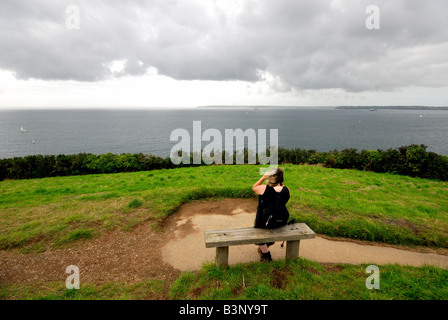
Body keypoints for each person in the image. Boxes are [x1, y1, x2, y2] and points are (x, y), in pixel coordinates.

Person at [252, 167, 290, 262]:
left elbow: (254, 187)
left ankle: (266, 255)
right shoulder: (286, 189)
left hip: (265, 221)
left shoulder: (264, 189)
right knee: (269, 231)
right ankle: (265, 247)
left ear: (271, 178)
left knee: (258, 235)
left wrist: (263, 178)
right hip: (281, 220)